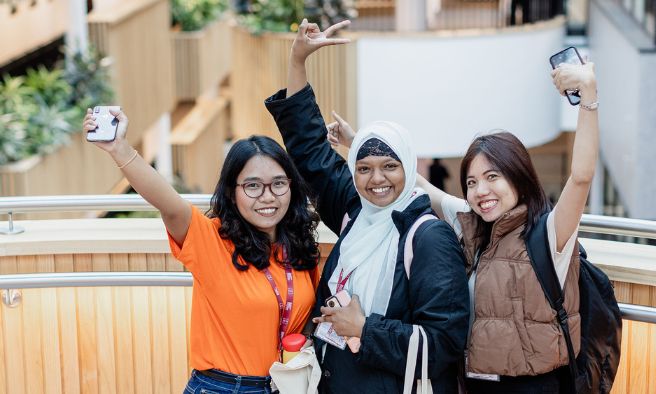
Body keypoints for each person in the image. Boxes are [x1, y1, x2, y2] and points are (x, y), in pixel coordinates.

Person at [327, 61, 599, 393]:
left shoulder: (548, 234)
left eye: (492, 177)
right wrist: (360, 144)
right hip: (472, 384)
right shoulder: (471, 224)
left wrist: (589, 95)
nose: (481, 191)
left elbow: (582, 177)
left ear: (519, 176)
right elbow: (418, 184)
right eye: (471, 182)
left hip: (534, 386)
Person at [264, 19, 470, 393]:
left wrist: (365, 328)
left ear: (408, 167)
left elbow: (445, 344)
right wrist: (297, 62)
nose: (377, 179)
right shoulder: (356, 212)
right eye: (364, 168)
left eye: (390, 167)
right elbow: (311, 152)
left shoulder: (427, 239)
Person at [83, 109, 321, 393]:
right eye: (253, 186)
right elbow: (168, 203)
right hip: (222, 388)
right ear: (233, 193)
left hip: (286, 384)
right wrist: (119, 149)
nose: (268, 197)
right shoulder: (212, 240)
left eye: (278, 184)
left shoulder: (299, 246)